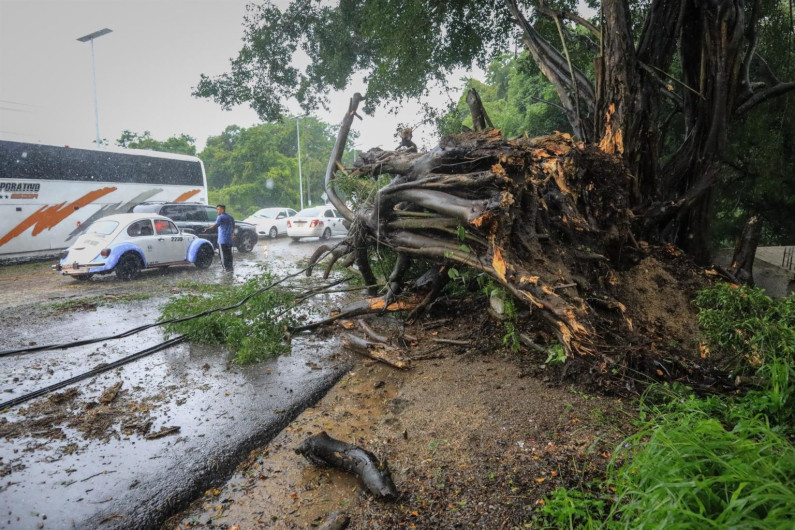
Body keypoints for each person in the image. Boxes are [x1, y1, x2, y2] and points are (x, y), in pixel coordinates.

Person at [205, 204, 235, 272]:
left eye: (218, 209)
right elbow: (233, 226)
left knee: (223, 255)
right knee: (229, 254)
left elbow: (216, 225)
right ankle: (230, 268)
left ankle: (225, 269)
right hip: (229, 239)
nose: (217, 211)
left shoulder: (220, 217)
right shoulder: (230, 216)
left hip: (222, 240)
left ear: (222, 210)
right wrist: (233, 234)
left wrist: (208, 229)